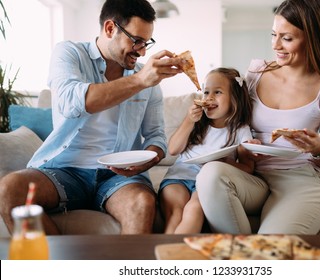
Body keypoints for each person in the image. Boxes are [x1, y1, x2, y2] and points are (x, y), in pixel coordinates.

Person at [0, 0, 185, 234]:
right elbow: (70, 102)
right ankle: (56, 268)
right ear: (110, 29)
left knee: (142, 202)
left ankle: (126, 270)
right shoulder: (69, 53)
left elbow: (155, 135)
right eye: (136, 41)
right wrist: (140, 80)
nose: (142, 52)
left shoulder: (147, 78)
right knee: (8, 189)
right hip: (64, 170)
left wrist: (152, 157)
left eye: (146, 43)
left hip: (118, 177)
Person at [196, 0, 320, 235]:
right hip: (253, 176)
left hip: (299, 181)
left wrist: (318, 148)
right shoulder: (257, 73)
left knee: (271, 251)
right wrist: (242, 147)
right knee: (209, 174)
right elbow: (231, 121)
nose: (276, 45)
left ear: (312, 37)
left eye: (287, 38)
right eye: (273, 35)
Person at [159, 68, 254, 234]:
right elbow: (173, 149)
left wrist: (224, 163)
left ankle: (178, 254)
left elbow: (248, 168)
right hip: (178, 176)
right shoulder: (196, 121)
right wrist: (189, 120)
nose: (209, 97)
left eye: (217, 92)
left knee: (194, 209)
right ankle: (166, 255)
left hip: (206, 183)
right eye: (206, 92)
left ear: (234, 98)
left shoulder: (240, 130)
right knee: (175, 213)